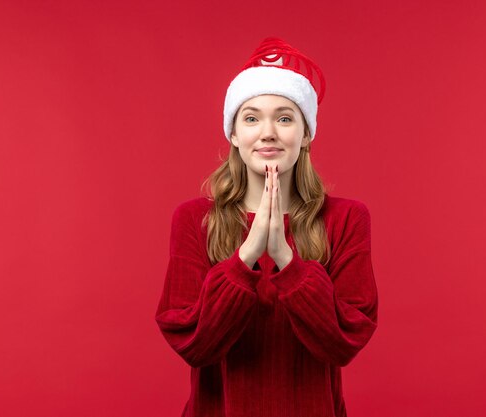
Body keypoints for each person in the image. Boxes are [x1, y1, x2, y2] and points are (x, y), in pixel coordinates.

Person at [155, 37, 379, 417]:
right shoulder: (194, 220)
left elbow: (343, 343)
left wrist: (286, 262)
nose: (268, 132)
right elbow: (195, 345)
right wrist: (245, 259)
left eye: (285, 118)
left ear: (306, 134)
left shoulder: (347, 219)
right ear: (234, 134)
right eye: (252, 117)